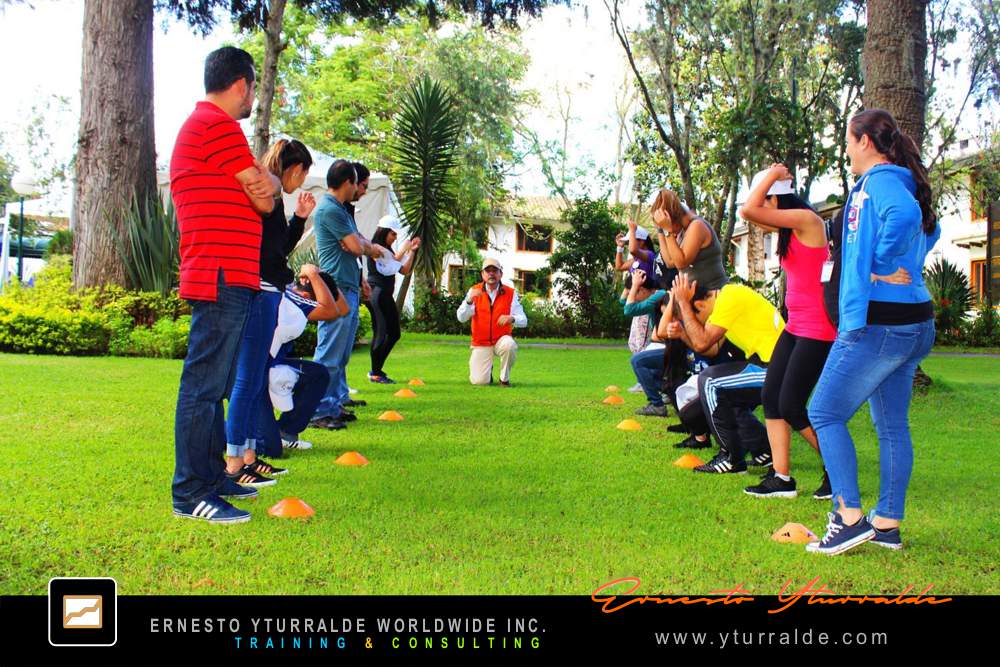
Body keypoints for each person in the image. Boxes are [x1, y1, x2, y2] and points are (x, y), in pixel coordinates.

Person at [805, 109, 940, 555]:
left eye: (848, 139)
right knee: (892, 425)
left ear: (864, 141)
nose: (845, 148)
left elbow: (904, 218)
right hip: (914, 323)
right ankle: (887, 522)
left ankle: (848, 518)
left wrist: (881, 268)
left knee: (823, 412)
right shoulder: (901, 181)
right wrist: (902, 263)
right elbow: (929, 227)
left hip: (881, 325)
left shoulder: (882, 185)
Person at [170, 46, 280, 524]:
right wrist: (262, 186)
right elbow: (265, 196)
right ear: (242, 83)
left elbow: (263, 194)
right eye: (254, 87)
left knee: (212, 387)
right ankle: (190, 492)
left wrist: (261, 187)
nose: (253, 96)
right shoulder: (217, 125)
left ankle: (212, 479)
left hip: (226, 273)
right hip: (218, 273)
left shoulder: (211, 129)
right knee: (203, 386)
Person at [737, 164, 836, 500]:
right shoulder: (788, 228)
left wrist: (772, 173)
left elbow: (749, 208)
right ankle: (781, 478)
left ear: (777, 198)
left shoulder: (807, 221)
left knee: (792, 405)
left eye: (769, 198)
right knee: (771, 398)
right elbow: (749, 212)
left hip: (819, 330)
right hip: (795, 327)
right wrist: (770, 181)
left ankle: (837, 469)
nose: (765, 207)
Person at [223, 138, 315, 485]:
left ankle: (247, 455)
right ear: (295, 169)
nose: (301, 183)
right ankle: (235, 462)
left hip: (265, 289)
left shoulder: (272, 197)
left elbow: (278, 247)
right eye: (303, 175)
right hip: (260, 291)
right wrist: (298, 220)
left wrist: (300, 218)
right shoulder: (271, 195)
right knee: (247, 378)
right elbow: (274, 251)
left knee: (254, 376)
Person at [668, 274, 784, 474]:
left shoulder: (730, 296)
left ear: (700, 306)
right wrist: (683, 334)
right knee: (721, 393)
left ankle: (731, 458)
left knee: (710, 382)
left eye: (693, 318)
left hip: (776, 367)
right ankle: (763, 450)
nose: (696, 325)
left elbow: (702, 342)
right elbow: (709, 349)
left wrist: (682, 303)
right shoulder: (724, 304)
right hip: (770, 364)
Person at [310, 160, 386, 429]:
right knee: (329, 353)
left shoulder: (340, 211)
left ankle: (332, 405)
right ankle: (317, 411)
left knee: (340, 355)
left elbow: (356, 242)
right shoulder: (330, 210)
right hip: (336, 289)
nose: (359, 188)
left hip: (348, 286)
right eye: (356, 182)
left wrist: (362, 246)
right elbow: (356, 245)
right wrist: (368, 247)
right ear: (346, 183)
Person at [256, 265, 349, 457]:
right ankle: (217, 437)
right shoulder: (295, 297)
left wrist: (323, 279)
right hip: (258, 369)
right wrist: (314, 275)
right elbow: (332, 310)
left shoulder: (290, 293)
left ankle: (286, 431)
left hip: (269, 364)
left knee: (317, 374)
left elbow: (342, 308)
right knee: (269, 448)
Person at [365, 215, 420, 383]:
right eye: (393, 234)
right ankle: (375, 372)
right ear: (384, 232)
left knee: (394, 333)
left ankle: (377, 370)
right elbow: (388, 268)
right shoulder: (376, 248)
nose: (395, 238)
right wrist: (404, 250)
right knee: (381, 332)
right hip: (378, 293)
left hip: (385, 294)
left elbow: (403, 270)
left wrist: (412, 251)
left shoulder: (387, 250)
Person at [456, 258, 528, 386]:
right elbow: (461, 318)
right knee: (479, 382)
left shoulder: (510, 293)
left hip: (501, 340)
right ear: (482, 274)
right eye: (487, 271)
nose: (491, 274)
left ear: (501, 274)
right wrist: (468, 301)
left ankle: (504, 379)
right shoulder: (474, 291)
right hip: (481, 343)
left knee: (509, 346)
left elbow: (524, 320)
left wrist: (512, 318)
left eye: (494, 270)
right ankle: (487, 373)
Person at [651, 189, 728, 291]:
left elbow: (681, 263)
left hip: (715, 295)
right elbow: (669, 262)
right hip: (699, 298)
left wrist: (667, 231)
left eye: (665, 224)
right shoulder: (683, 231)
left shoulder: (697, 226)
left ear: (673, 218)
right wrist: (661, 230)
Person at [623, 269, 669, 416]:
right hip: (667, 346)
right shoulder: (653, 297)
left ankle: (657, 404)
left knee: (638, 361)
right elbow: (623, 302)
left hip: (676, 347)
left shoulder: (659, 295)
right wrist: (632, 285)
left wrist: (635, 284)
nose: (634, 297)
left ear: (642, 289)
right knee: (648, 369)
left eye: (635, 292)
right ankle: (669, 391)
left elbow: (628, 309)